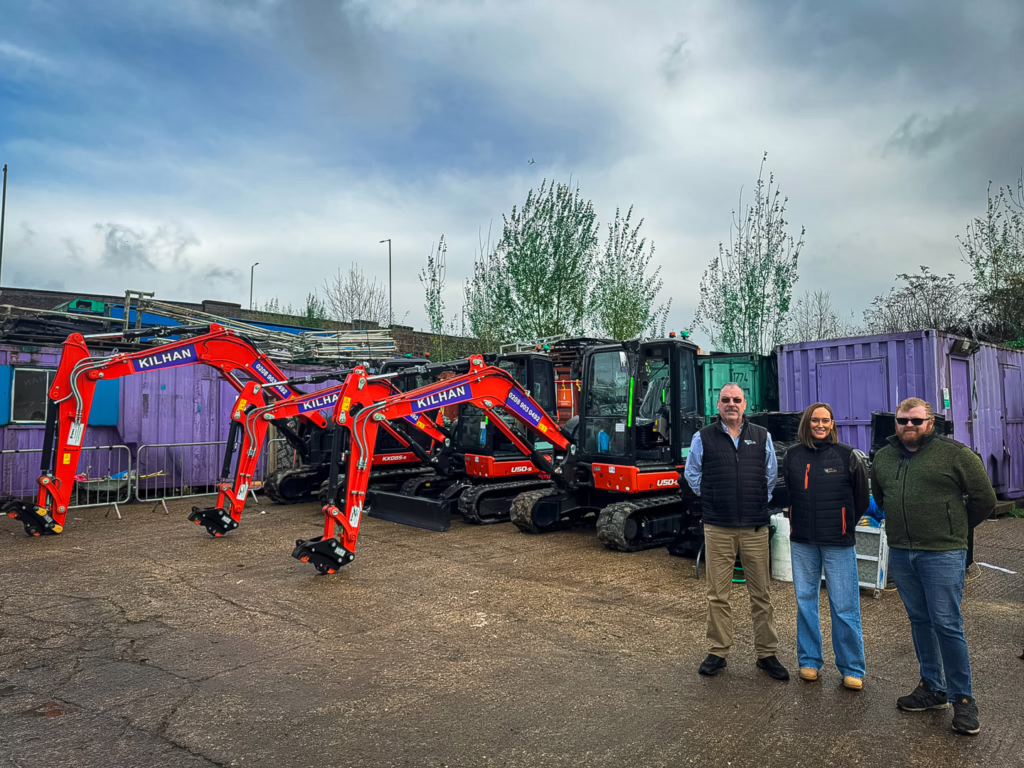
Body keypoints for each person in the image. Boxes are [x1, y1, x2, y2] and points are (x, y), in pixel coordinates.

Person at [870, 397, 996, 736]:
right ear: (895, 423)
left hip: (942, 553)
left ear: (931, 422)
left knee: (947, 623)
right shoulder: (882, 458)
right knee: (920, 621)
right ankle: (932, 688)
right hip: (902, 553)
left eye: (916, 420)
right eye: (902, 421)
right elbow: (881, 497)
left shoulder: (955, 455)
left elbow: (985, 499)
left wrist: (954, 529)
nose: (908, 426)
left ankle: (964, 700)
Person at [685, 383, 787, 681]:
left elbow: (770, 475)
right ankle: (718, 651)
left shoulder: (762, 437)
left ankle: (767, 653)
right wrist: (714, 498)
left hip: (755, 527)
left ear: (746, 404)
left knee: (762, 594)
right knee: (718, 594)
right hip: (718, 527)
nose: (731, 404)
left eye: (737, 400)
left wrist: (756, 500)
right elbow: (692, 473)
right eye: (726, 400)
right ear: (718, 405)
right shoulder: (702, 438)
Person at [783, 403, 870, 690]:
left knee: (844, 606)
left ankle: (852, 667)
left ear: (833, 424)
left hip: (838, 542)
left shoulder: (848, 456)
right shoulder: (793, 456)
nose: (820, 425)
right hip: (803, 541)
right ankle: (809, 661)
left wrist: (844, 524)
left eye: (826, 421)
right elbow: (788, 495)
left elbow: (861, 498)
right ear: (807, 424)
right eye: (815, 421)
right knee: (805, 602)